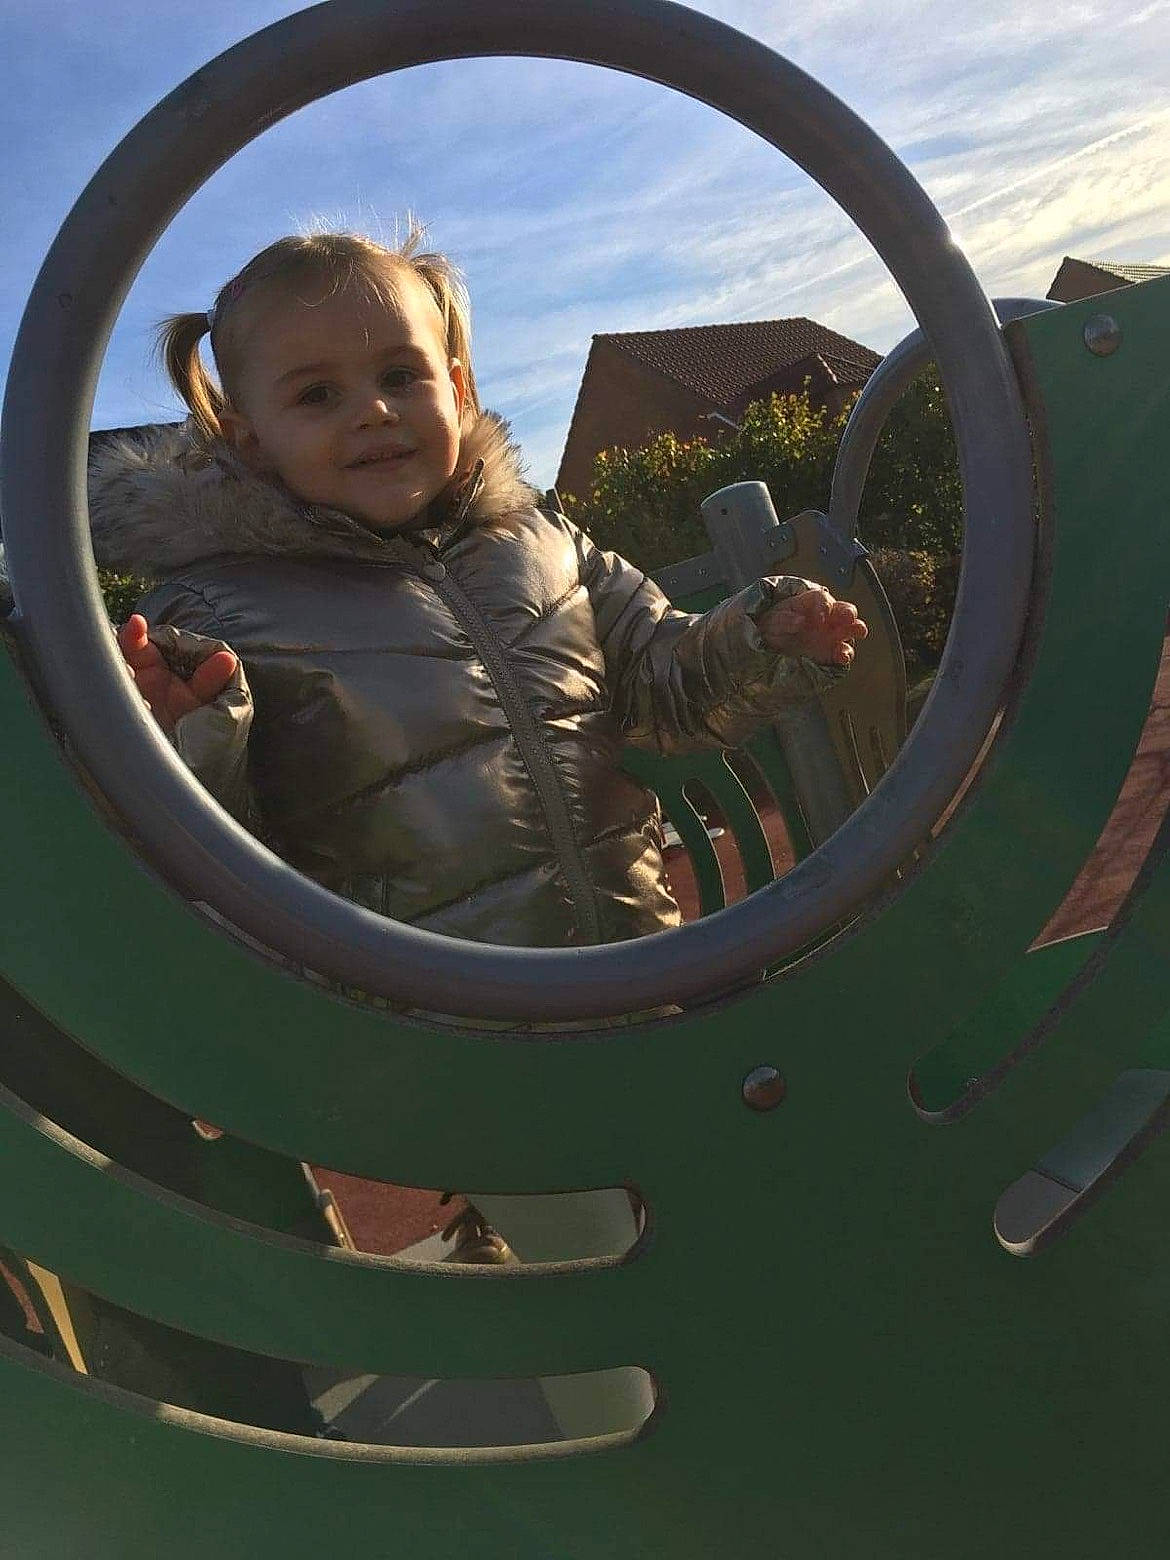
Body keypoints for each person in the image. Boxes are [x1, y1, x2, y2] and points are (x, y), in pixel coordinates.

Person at [91, 227, 866, 1437]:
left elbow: (662, 677)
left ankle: (803, 1425)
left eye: (403, 375)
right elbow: (222, 863)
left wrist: (758, 635)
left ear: (457, 384)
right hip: (467, 1036)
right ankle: (650, 1467)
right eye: (316, 394)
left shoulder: (540, 543)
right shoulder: (217, 608)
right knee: (601, 1293)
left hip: (639, 968)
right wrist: (191, 738)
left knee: (735, 1219)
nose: (376, 413)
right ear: (242, 436)